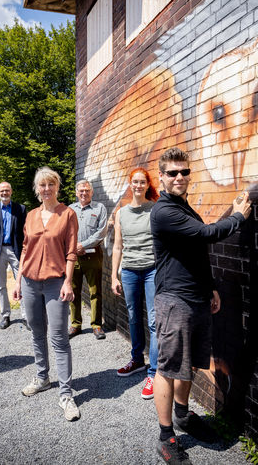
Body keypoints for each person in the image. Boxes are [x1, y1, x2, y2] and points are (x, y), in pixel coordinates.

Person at [150, 148, 252, 464]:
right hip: (174, 301)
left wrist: (210, 288)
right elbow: (206, 235)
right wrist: (238, 216)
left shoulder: (183, 207)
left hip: (196, 297)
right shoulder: (165, 211)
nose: (180, 177)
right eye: (173, 173)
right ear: (162, 177)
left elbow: (194, 252)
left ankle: (182, 416)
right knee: (169, 369)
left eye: (184, 172)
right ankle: (166, 436)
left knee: (190, 362)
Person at [12, 167, 80, 422]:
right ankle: (42, 378)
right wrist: (18, 281)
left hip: (55, 283)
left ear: (57, 187)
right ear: (37, 189)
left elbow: (71, 252)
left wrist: (68, 282)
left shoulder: (68, 214)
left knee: (59, 338)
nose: (46, 189)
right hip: (29, 282)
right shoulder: (30, 215)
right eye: (42, 185)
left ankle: (66, 395)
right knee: (36, 332)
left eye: (51, 184)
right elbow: (25, 249)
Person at [111, 167, 160, 400]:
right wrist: (113, 275)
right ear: (130, 185)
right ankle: (137, 360)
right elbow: (118, 246)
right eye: (135, 182)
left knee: (153, 320)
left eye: (142, 182)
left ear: (148, 185)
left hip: (152, 270)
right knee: (132, 317)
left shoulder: (155, 209)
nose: (138, 186)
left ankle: (154, 372)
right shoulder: (121, 213)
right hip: (129, 271)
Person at [68, 180, 108, 340]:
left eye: (87, 190)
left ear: (92, 192)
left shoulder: (99, 208)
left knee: (95, 291)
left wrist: (82, 245)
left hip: (93, 255)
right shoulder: (70, 209)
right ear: (76, 193)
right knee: (74, 291)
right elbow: (65, 231)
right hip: (73, 257)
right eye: (81, 191)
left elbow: (101, 232)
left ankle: (97, 325)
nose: (84, 193)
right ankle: (75, 324)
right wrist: (73, 247)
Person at [0, 181, 27, 330]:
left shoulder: (20, 209)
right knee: (1, 286)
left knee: (22, 283)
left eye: (7, 190)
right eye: (2, 191)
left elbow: (25, 232)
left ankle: (25, 316)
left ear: (11, 192)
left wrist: (26, 251)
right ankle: (5, 315)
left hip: (16, 251)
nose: (4, 193)